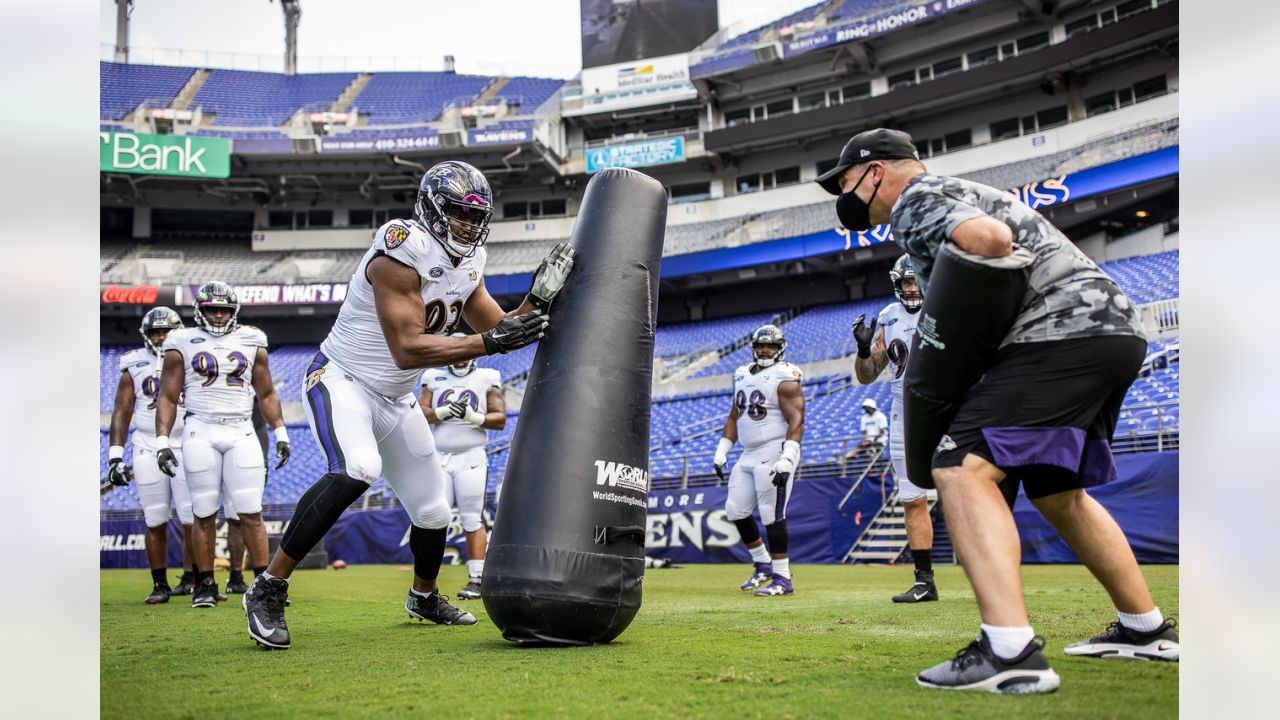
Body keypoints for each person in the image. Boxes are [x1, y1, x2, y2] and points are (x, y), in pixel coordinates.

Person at [817, 127, 1178, 694]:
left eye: (845, 183)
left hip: (1061, 332)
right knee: (1058, 492)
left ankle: (1009, 651)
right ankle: (1144, 628)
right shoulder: (958, 191)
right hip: (1111, 330)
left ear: (876, 172)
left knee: (959, 466)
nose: (845, 196)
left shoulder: (915, 201)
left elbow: (986, 241)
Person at [243, 160, 574, 650]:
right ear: (433, 209)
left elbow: (500, 325)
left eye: (475, 216)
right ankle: (268, 587)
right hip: (344, 379)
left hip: (396, 398)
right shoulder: (401, 248)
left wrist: (538, 299)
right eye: (459, 214)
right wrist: (491, 343)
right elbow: (410, 348)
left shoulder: (470, 261)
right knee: (357, 467)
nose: (469, 224)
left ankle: (423, 596)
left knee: (435, 511)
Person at [155, 281, 291, 609]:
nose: (218, 316)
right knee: (203, 512)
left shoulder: (252, 338)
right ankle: (205, 584)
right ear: (200, 311)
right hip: (200, 428)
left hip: (241, 430)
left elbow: (267, 393)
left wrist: (281, 432)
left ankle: (265, 584)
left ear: (235, 312)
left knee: (251, 512)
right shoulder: (180, 341)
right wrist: (162, 439)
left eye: (224, 310)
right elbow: (168, 396)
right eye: (212, 309)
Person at [850, 255, 941, 604]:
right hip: (904, 414)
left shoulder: (947, 305)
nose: (912, 287)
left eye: (916, 279)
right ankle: (924, 581)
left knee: (969, 491)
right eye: (906, 281)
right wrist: (862, 348)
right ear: (897, 283)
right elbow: (867, 374)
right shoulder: (889, 316)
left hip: (945, 411)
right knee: (912, 499)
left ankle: (992, 573)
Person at [106, 307, 194, 604]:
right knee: (155, 518)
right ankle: (160, 584)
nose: (161, 337)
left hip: (186, 443)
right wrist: (116, 455)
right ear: (147, 335)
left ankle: (193, 578)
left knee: (192, 516)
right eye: (156, 332)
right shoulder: (135, 362)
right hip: (146, 444)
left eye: (166, 331)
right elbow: (122, 410)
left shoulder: (193, 355)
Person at [712, 324, 805, 597]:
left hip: (774, 449)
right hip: (748, 452)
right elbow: (734, 416)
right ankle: (762, 564)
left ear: (780, 349)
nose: (765, 350)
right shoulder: (741, 373)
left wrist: (788, 457)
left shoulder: (786, 375)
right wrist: (722, 449)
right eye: (761, 346)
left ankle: (783, 578)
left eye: (771, 346)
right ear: (753, 348)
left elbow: (797, 419)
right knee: (736, 510)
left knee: (771, 515)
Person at [418, 340, 506, 599]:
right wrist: (442, 412)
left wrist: (473, 417)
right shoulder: (433, 376)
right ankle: (426, 584)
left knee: (471, 518)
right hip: (440, 458)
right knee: (435, 519)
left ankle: (477, 579)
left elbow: (499, 419)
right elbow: (418, 412)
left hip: (471, 457)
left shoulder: (487, 377)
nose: (460, 358)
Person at [844, 398, 888, 463]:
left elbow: (882, 431)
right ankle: (845, 458)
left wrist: (872, 440)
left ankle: (874, 470)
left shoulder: (880, 416)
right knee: (858, 449)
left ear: (872, 407)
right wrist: (865, 440)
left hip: (880, 441)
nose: (865, 410)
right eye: (864, 408)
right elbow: (863, 431)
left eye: (866, 408)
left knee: (868, 452)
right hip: (868, 442)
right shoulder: (864, 418)